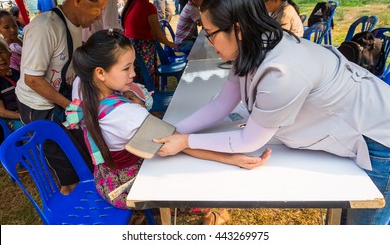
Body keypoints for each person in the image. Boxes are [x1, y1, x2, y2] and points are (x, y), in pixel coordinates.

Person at [154, 0, 390, 225]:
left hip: (378, 139)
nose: (209, 44)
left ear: (238, 29)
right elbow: (222, 103)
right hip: (354, 127)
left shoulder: (282, 71)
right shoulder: (252, 46)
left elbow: (249, 140)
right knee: (345, 221)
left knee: (362, 230)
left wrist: (185, 141)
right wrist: (175, 131)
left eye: (211, 34)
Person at [64, 29, 270, 209]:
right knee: (190, 176)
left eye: (132, 66)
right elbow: (175, 142)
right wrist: (230, 158)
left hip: (104, 179)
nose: (133, 74)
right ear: (100, 72)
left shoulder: (84, 83)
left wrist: (132, 97)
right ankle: (209, 214)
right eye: (126, 68)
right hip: (126, 187)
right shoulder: (126, 115)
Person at [15, 0, 110, 195]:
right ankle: (75, 210)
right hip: (38, 107)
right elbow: (32, 79)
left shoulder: (75, 25)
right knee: (64, 166)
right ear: (79, 0)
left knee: (80, 154)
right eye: (97, 10)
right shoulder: (45, 27)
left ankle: (90, 194)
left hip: (59, 99)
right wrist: (69, 105)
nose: (98, 17)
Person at [121, 0, 175, 88]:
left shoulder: (133, 2)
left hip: (131, 48)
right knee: (147, 81)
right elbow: (158, 34)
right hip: (143, 49)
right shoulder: (148, 7)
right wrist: (172, 45)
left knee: (138, 82)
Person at [0, 37, 22, 138]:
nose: (1, 59)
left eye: (1, 52)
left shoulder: (16, 73)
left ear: (9, 53)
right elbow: (2, 112)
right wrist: (22, 116)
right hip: (13, 119)